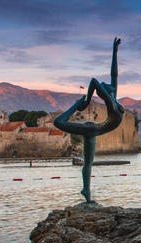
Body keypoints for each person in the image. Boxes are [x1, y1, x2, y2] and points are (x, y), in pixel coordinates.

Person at [54, 38, 124, 203]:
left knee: (88, 162)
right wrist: (85, 102)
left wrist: (115, 51)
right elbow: (93, 81)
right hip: (93, 129)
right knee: (58, 122)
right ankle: (74, 106)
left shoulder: (113, 97)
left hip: (94, 129)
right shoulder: (110, 102)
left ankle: (86, 190)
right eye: (106, 85)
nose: (108, 83)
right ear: (104, 92)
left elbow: (114, 73)